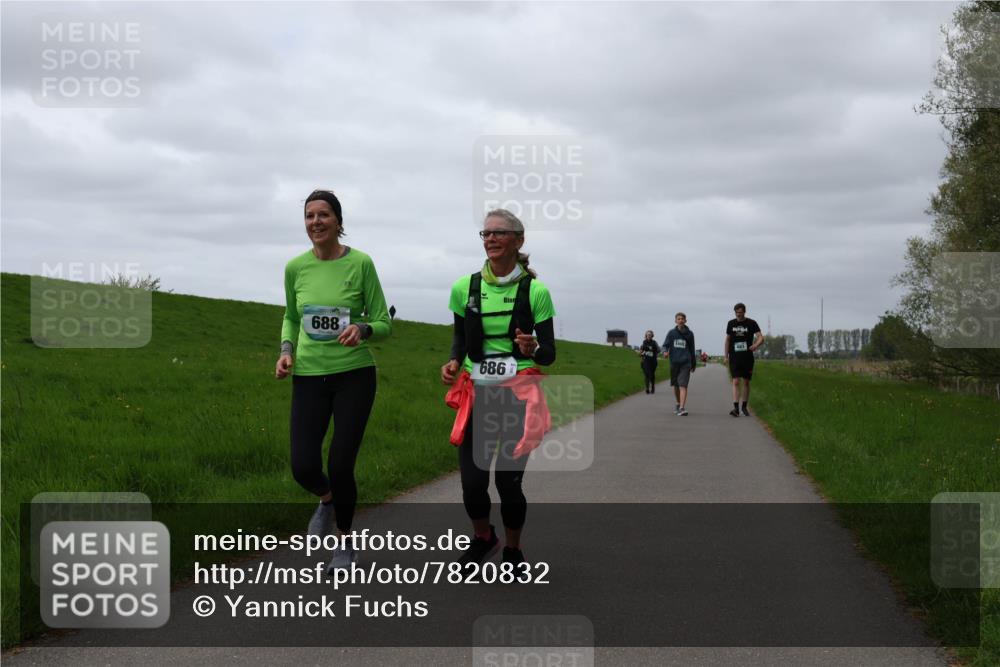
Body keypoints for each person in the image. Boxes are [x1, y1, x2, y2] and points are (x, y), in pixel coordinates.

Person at [275, 189, 392, 571]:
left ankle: (344, 547)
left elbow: (383, 321)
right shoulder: (296, 267)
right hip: (309, 375)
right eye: (309, 216)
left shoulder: (361, 263)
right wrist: (286, 349)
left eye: (324, 215)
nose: (316, 222)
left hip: (354, 375)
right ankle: (327, 500)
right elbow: (292, 315)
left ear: (339, 222)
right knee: (303, 466)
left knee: (341, 464)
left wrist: (362, 328)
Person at [441, 209, 556, 568]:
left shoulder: (535, 291)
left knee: (508, 483)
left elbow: (549, 354)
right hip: (478, 393)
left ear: (518, 241)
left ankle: (513, 549)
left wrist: (532, 348)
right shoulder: (465, 287)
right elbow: (460, 336)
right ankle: (484, 537)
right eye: (486, 233)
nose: (490, 239)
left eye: (499, 233)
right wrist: (454, 361)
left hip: (518, 395)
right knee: (472, 483)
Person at [724, 302, 763, 417]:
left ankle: (744, 407)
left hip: (747, 357)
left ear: (744, 312)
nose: (739, 315)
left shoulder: (751, 323)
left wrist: (755, 345)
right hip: (734, 357)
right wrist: (726, 356)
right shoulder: (731, 323)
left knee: (746, 381)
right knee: (736, 381)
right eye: (737, 313)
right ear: (735, 312)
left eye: (741, 313)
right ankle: (736, 408)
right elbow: (727, 340)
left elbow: (761, 337)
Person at [662, 313, 697, 415]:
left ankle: (682, 408)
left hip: (685, 363)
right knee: (676, 386)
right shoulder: (671, 333)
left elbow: (692, 349)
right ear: (675, 321)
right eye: (679, 319)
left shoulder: (690, 334)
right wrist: (665, 351)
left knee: (683, 385)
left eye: (682, 319)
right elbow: (665, 345)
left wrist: (693, 363)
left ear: (685, 321)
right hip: (674, 362)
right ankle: (678, 403)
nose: (681, 320)